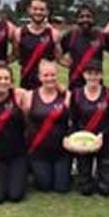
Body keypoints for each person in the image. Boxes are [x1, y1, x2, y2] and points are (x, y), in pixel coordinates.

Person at [22, 59, 71, 193]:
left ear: (57, 75)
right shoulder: (30, 96)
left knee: (61, 188)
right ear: (39, 77)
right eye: (46, 75)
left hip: (61, 152)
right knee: (45, 186)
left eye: (53, 75)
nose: (50, 78)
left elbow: (72, 122)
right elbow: (26, 121)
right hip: (38, 152)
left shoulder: (67, 96)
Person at [67, 60, 109, 196]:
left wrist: (102, 135)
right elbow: (73, 120)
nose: (93, 77)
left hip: (103, 141)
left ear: (101, 75)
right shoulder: (76, 94)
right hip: (84, 142)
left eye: (96, 74)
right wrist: (74, 138)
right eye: (89, 73)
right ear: (84, 75)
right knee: (86, 190)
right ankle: (85, 175)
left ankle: (103, 175)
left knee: (105, 190)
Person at [0, 61, 28, 203]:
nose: (2, 82)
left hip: (18, 154)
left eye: (6, 79)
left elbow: (43, 95)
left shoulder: (20, 96)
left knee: (15, 195)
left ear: (11, 82)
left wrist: (62, 88)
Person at [14, 0, 63, 89]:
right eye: (35, 9)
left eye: (42, 9)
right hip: (26, 85)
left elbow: (58, 58)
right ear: (29, 10)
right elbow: (16, 54)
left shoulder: (54, 34)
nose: (38, 12)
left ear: (47, 12)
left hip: (48, 85)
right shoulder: (19, 33)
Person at [60, 6, 105, 90]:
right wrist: (63, 62)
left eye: (88, 16)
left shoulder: (102, 36)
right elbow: (57, 52)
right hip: (75, 84)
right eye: (82, 17)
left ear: (93, 19)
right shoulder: (70, 36)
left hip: (96, 84)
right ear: (77, 19)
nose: (85, 19)